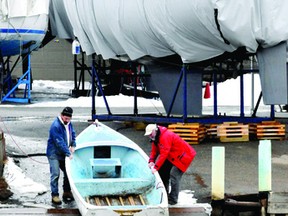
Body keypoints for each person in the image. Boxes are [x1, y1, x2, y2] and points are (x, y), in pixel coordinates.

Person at [144, 123, 197, 205]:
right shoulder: (156, 137)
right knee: (162, 172)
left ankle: (173, 199)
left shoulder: (165, 136)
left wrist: (156, 167)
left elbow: (164, 153)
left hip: (183, 156)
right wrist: (151, 160)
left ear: (155, 131)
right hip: (173, 156)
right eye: (149, 135)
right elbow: (155, 150)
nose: (150, 136)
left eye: (151, 134)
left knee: (174, 176)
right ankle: (165, 194)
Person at [46, 107, 76, 205]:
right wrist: (68, 153)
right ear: (62, 115)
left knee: (68, 172)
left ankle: (67, 192)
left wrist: (73, 144)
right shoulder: (56, 126)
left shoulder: (69, 123)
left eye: (69, 119)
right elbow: (59, 142)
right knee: (55, 174)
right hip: (54, 153)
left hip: (63, 152)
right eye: (65, 118)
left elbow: (73, 133)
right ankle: (54, 195)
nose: (67, 120)